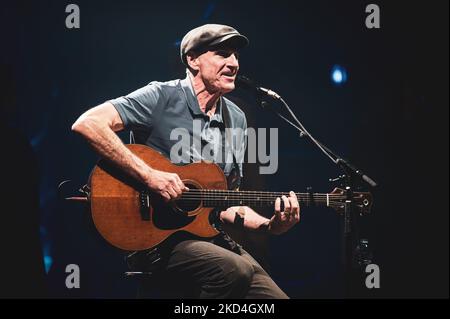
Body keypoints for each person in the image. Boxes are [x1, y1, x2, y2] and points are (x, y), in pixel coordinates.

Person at [72, 24, 299, 299]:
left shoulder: (236, 119)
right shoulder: (161, 97)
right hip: (155, 238)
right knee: (234, 271)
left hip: (208, 237)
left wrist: (269, 226)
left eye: (236, 56)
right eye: (223, 54)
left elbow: (224, 202)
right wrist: (150, 176)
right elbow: (88, 124)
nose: (234, 63)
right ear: (193, 60)